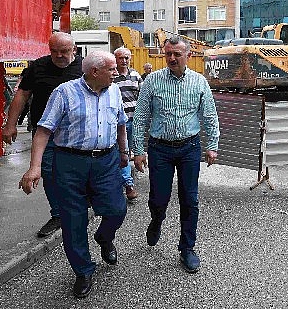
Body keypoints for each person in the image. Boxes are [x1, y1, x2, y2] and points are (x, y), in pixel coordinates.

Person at [19, 50, 129, 298]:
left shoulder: (113, 90)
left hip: (106, 161)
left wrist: (125, 153)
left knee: (116, 209)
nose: (116, 72)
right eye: (111, 69)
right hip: (69, 162)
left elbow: (120, 124)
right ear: (94, 72)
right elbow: (43, 130)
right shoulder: (64, 93)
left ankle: (104, 237)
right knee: (73, 220)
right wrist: (35, 167)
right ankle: (83, 271)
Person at [132, 35, 220, 274]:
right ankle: (157, 219)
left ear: (188, 55)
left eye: (176, 54)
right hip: (159, 149)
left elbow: (209, 116)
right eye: (168, 53)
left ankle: (187, 248)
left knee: (189, 200)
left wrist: (212, 145)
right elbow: (140, 118)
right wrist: (138, 150)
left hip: (189, 149)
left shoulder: (200, 82)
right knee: (159, 198)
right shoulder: (152, 81)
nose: (171, 58)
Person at [3, 32, 83, 238]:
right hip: (44, 133)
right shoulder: (37, 67)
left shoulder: (84, 68)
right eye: (54, 51)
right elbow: (21, 95)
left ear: (74, 49)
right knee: (48, 172)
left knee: (76, 173)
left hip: (76, 133)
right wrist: (10, 125)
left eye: (64, 51)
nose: (59, 56)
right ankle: (57, 214)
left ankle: (79, 207)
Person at [113, 47, 143, 201]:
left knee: (128, 152)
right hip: (118, 124)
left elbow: (142, 97)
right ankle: (128, 185)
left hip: (133, 121)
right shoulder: (111, 76)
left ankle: (120, 181)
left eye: (126, 58)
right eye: (120, 58)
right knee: (122, 152)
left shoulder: (136, 75)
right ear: (115, 59)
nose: (124, 61)